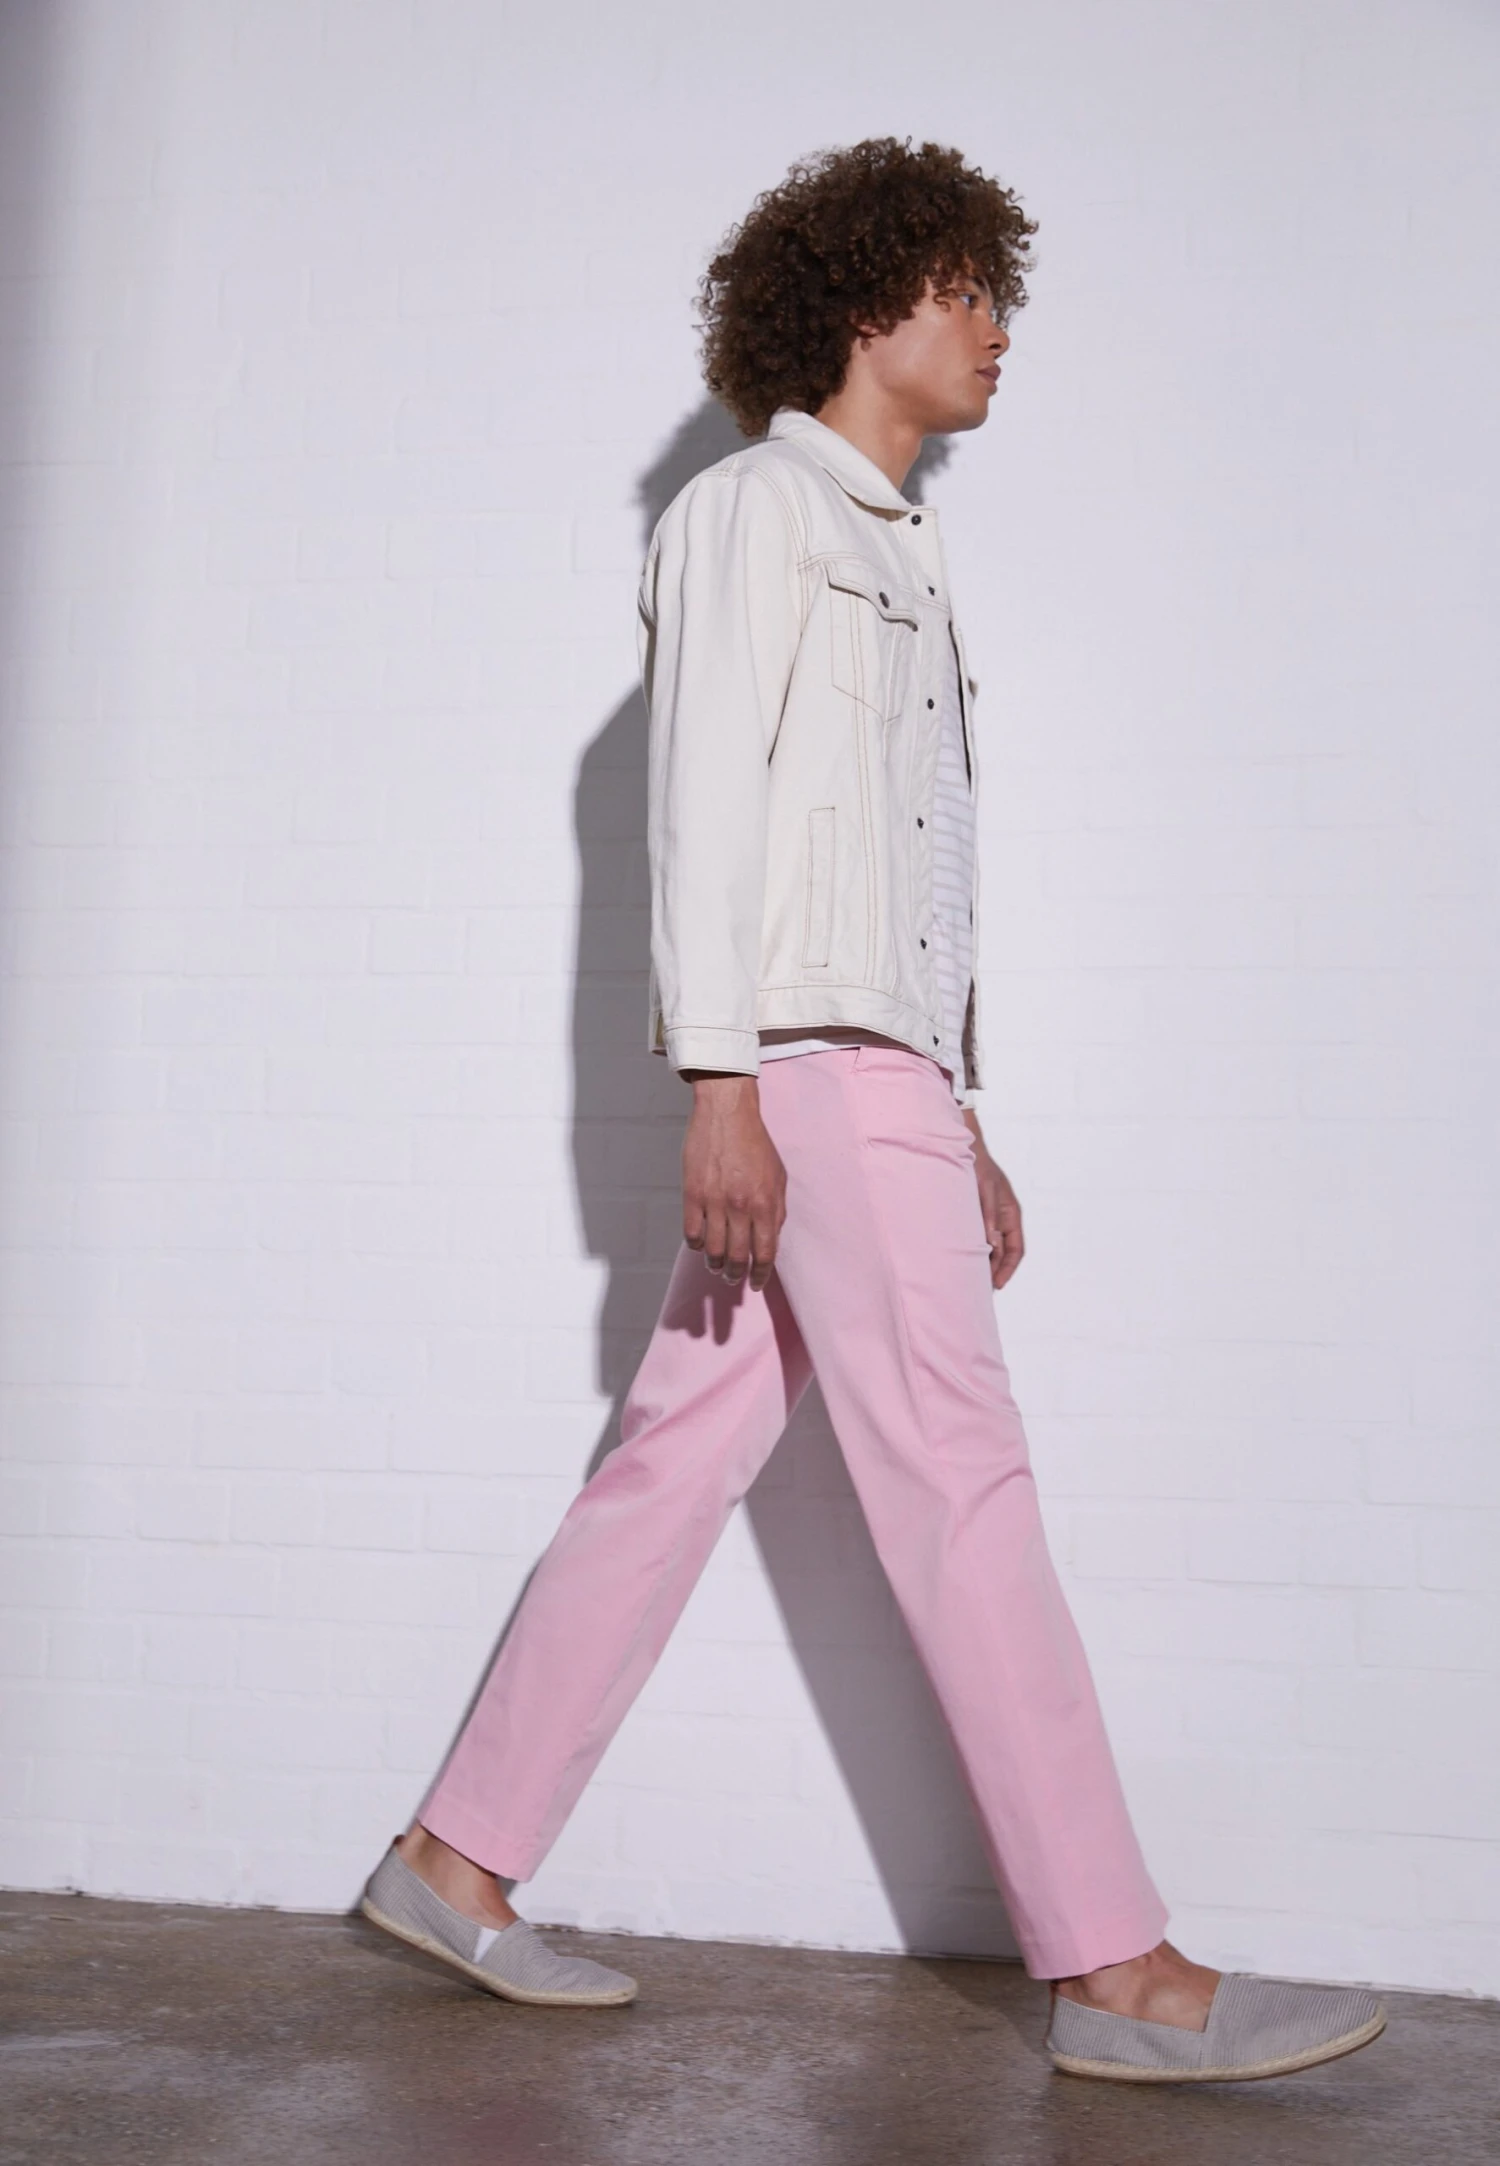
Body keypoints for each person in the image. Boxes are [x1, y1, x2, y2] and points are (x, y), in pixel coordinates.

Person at [361, 137, 1386, 2083]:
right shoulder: (760, 511)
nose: (998, 328)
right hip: (805, 1072)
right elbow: (706, 807)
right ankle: (1115, 1967)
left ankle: (452, 1858)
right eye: (964, 289)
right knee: (965, 1492)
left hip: (860, 1069)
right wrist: (722, 1087)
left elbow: (911, 871)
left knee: (669, 1468)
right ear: (861, 303)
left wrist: (958, 1102)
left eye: (1002, 293)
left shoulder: (904, 549)